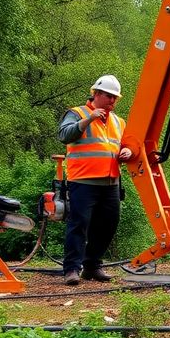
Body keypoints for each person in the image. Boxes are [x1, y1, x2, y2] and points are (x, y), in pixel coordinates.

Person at [58, 74, 132, 286]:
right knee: (78, 225)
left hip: (111, 182)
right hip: (83, 180)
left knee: (107, 224)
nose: (112, 101)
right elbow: (64, 135)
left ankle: (92, 266)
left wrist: (126, 151)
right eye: (108, 96)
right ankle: (72, 269)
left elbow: (125, 144)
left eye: (115, 98)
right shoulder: (77, 113)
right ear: (96, 94)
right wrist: (89, 118)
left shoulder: (119, 121)